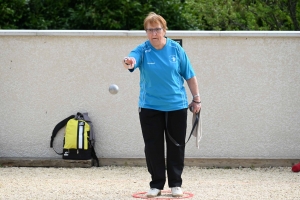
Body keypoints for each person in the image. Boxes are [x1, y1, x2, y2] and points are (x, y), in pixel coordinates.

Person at [122, 12, 201, 198]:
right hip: (149, 106)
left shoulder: (176, 49)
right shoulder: (143, 50)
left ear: (164, 30)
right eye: (150, 30)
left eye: (157, 29)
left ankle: (175, 184)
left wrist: (196, 98)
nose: (154, 33)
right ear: (146, 32)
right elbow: (131, 61)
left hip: (176, 105)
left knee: (176, 145)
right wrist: (128, 62)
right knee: (153, 146)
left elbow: (189, 75)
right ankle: (156, 184)